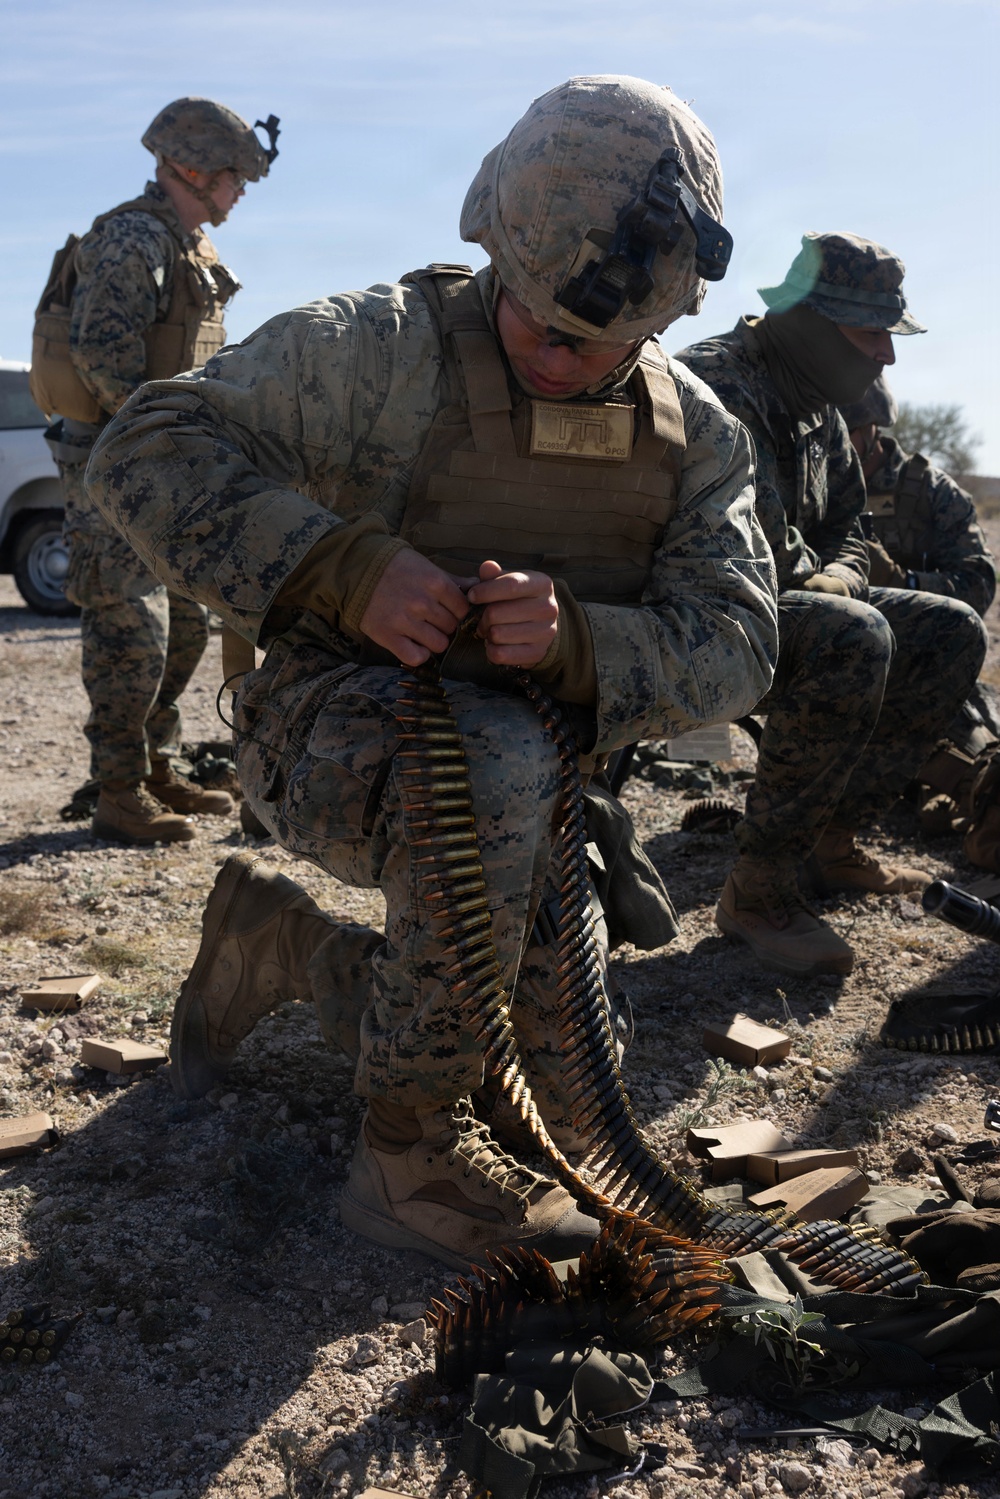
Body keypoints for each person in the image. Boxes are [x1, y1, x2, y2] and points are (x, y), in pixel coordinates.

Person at [88, 75, 779, 1271]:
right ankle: (405, 1151)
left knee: (548, 1072)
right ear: (496, 249)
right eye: (541, 320)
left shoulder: (693, 433)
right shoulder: (372, 352)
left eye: (603, 339)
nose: (565, 357)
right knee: (489, 792)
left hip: (547, 786)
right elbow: (142, 450)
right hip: (326, 734)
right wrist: (341, 565)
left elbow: (741, 641)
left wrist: (578, 641)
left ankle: (282, 944)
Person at [676, 233, 988, 978]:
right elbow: (744, 547)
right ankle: (758, 893)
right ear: (811, 323)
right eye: (869, 331)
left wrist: (843, 577)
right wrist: (828, 586)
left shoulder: (818, 402)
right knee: (853, 634)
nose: (885, 355)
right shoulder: (716, 383)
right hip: (691, 615)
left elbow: (849, 525)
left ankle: (830, 840)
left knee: (950, 630)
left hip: (792, 607)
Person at [35, 98, 277, 845]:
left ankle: (157, 765)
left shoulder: (186, 245)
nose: (240, 193)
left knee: (187, 628)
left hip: (163, 461)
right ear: (195, 169)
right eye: (236, 177)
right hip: (116, 464)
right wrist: (156, 438)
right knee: (129, 627)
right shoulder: (135, 237)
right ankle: (118, 787)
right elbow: (104, 357)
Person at [841, 375, 999, 830]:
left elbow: (977, 583)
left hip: (918, 670)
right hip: (839, 671)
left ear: (872, 426)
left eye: (845, 429)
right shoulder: (815, 485)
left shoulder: (930, 492)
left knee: (977, 770)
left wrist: (904, 582)